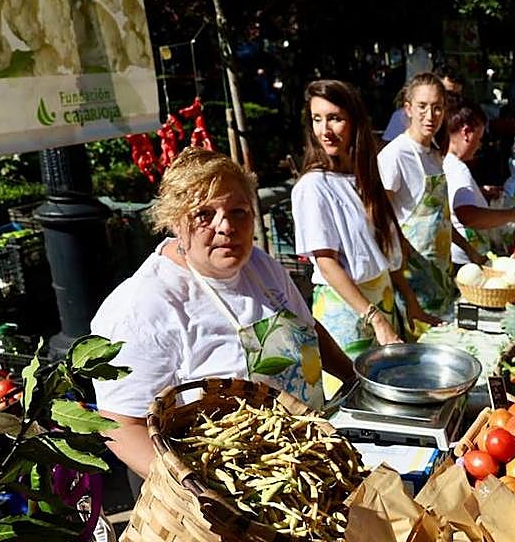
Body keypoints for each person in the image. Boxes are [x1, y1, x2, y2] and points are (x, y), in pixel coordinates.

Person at [94, 147, 356, 478]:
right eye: (204, 214)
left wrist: (354, 380)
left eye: (239, 212)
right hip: (227, 493)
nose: (226, 226)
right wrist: (194, 491)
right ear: (175, 220)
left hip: (305, 464)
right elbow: (119, 423)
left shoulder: (260, 266)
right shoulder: (145, 306)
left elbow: (305, 328)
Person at [293, 80, 429, 360]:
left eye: (334, 119)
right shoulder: (313, 186)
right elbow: (327, 263)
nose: (325, 130)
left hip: (384, 304)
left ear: (354, 122)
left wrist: (411, 302)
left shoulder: (364, 177)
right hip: (347, 313)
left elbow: (384, 250)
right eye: (317, 119)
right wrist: (375, 319)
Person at [378, 72, 457, 320]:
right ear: (408, 109)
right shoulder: (395, 155)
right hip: (412, 283)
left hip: (441, 274)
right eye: (422, 106)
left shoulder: (434, 154)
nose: (430, 115)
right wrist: (404, 289)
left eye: (437, 108)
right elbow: (381, 222)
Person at [444, 102, 515, 265]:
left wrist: (479, 193)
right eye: (479, 138)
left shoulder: (443, 161)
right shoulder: (458, 168)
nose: (480, 145)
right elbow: (468, 215)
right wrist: (512, 214)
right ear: (467, 133)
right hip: (466, 261)